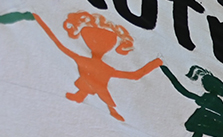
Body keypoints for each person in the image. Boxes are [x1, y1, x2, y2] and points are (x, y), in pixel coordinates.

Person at [32, 11, 161, 121]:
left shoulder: (85, 61)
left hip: (98, 92)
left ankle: (105, 107)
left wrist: (158, 62)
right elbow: (135, 76)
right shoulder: (97, 66)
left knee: (103, 96)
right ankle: (98, 104)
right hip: (98, 91)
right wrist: (157, 62)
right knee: (102, 95)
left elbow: (60, 45)